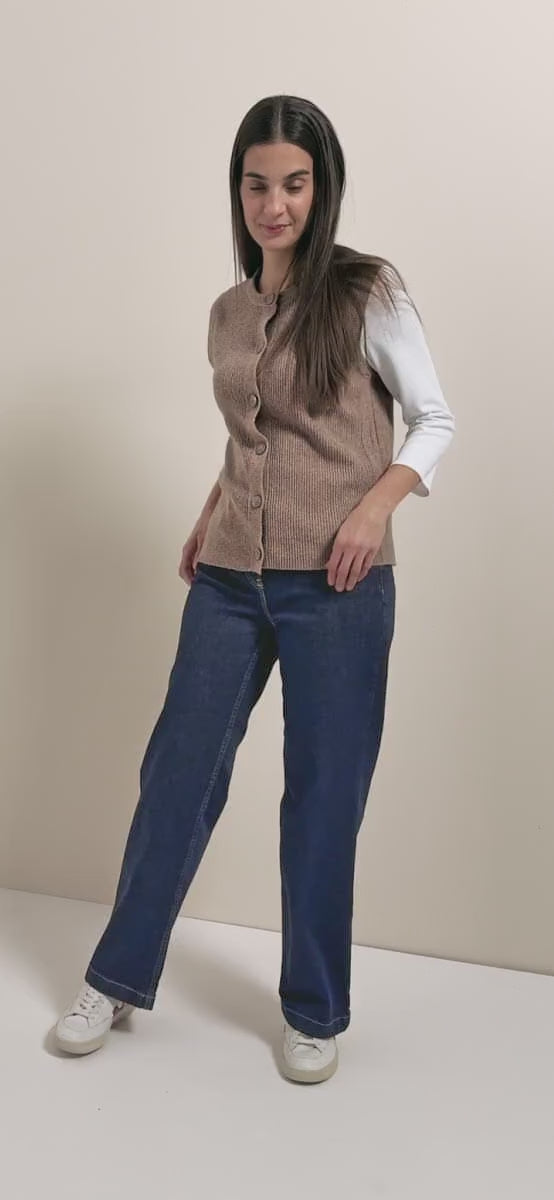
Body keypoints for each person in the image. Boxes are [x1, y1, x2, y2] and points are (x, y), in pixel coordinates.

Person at [53, 94, 456, 1083]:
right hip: (232, 576)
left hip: (340, 586)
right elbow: (252, 437)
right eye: (257, 184)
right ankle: (118, 976)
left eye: (294, 184)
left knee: (322, 797)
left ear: (323, 188)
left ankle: (314, 1008)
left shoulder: (367, 293)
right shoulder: (228, 313)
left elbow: (435, 420)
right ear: (237, 191)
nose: (274, 205)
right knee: (177, 774)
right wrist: (211, 512)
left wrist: (375, 509)